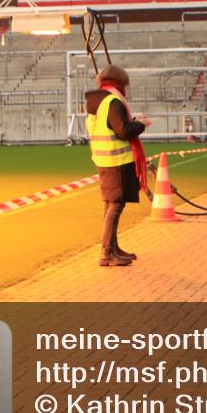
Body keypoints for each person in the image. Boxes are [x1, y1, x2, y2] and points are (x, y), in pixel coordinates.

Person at [85, 65, 152, 267]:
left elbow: (113, 127)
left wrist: (132, 122)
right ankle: (107, 251)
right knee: (115, 206)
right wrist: (141, 124)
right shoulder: (112, 101)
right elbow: (123, 131)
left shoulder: (96, 103)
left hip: (104, 160)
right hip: (117, 161)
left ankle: (112, 247)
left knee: (110, 204)